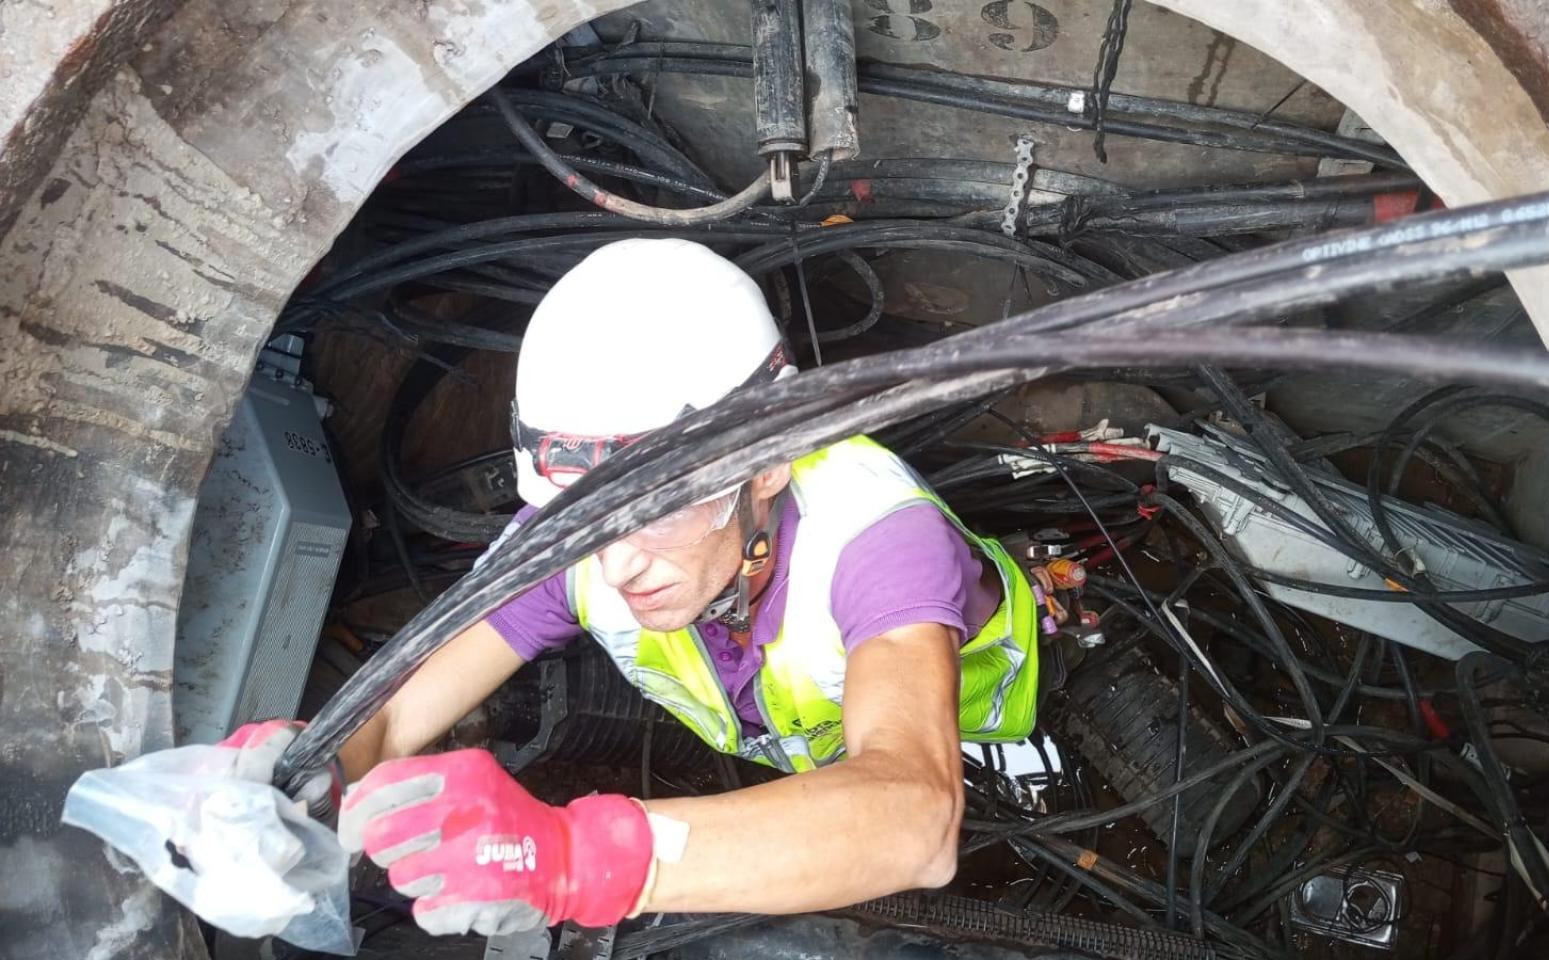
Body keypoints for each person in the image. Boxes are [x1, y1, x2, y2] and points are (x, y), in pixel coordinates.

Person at [236, 238, 1040, 937]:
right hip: (810, 773)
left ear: (767, 459)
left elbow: (914, 820)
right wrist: (316, 768)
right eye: (585, 519)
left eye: (655, 513)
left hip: (994, 734)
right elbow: (399, 711)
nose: (615, 566)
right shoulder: (566, 549)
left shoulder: (877, 537)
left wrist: (576, 859)